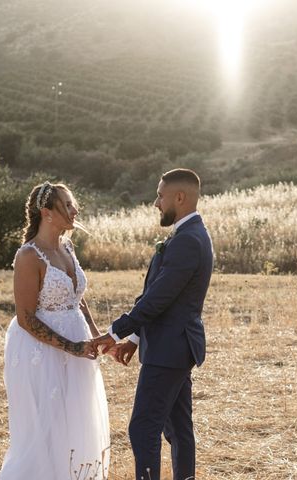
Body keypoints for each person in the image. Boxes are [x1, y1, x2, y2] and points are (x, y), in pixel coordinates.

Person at [90, 168, 214, 480]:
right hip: (173, 345)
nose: (156, 203)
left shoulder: (188, 240)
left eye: (160, 195)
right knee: (178, 429)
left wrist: (116, 331)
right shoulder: (189, 235)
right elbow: (162, 297)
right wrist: (133, 339)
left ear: (180, 197)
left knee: (143, 427)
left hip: (169, 348)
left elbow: (158, 298)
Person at [0, 182, 110, 480]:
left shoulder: (67, 246)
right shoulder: (28, 256)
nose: (76, 210)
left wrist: (97, 336)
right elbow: (26, 319)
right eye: (68, 205)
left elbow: (76, 298)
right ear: (47, 213)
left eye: (74, 204)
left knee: (75, 419)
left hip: (77, 344)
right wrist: (71, 346)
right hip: (41, 351)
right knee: (47, 426)